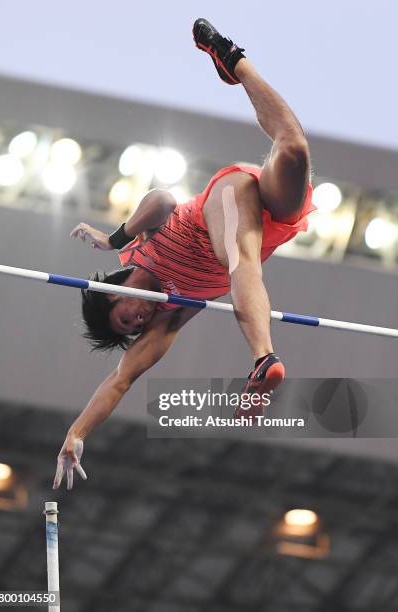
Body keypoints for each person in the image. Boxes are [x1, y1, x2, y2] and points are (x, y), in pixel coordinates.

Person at [53, 18, 315, 490]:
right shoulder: (168, 318)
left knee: (242, 254)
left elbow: (163, 201)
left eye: (127, 316)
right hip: (267, 226)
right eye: (133, 329)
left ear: (117, 290)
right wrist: (76, 433)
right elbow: (118, 381)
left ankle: (233, 57)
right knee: (294, 151)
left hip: (225, 198)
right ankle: (228, 64)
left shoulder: (140, 248)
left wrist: (114, 238)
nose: (138, 322)